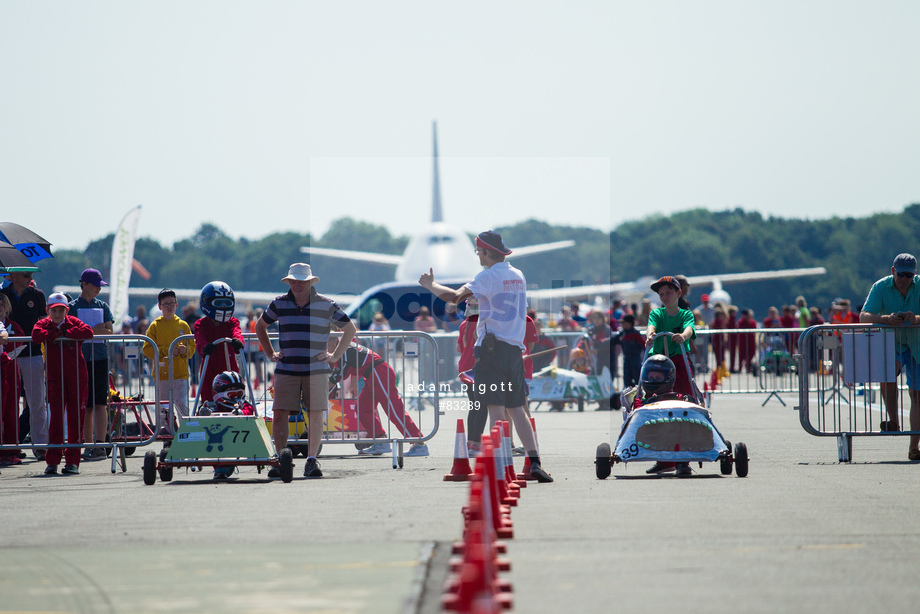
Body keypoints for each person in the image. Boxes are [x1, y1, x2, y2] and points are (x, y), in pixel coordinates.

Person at [420, 229, 553, 483]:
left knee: (495, 409)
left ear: (486, 252)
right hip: (515, 349)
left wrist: (430, 285)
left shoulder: (487, 277)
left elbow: (454, 298)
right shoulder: (518, 275)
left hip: (491, 352)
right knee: (517, 410)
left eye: (478, 251)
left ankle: (500, 468)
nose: (477, 255)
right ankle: (534, 461)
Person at [255, 263, 357, 479]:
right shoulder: (279, 303)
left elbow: (350, 329)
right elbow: (259, 326)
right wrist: (270, 353)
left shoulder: (326, 304)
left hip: (316, 369)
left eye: (301, 281)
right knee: (280, 412)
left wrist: (335, 356)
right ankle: (277, 460)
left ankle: (311, 460)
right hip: (287, 367)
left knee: (316, 413)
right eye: (293, 281)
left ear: (310, 282)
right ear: (288, 282)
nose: (297, 285)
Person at [859, 253, 920, 460]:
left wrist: (917, 318)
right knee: (886, 376)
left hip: (917, 344)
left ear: (914, 274)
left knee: (917, 394)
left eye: (909, 275)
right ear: (893, 271)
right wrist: (885, 319)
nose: (904, 279)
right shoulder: (880, 286)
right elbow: (864, 316)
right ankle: (893, 421)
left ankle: (914, 447)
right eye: (900, 274)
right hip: (891, 341)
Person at [329, 338, 428, 457]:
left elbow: (334, 379)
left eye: (325, 346)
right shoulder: (345, 348)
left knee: (394, 410)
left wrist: (316, 392)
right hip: (372, 374)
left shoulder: (344, 351)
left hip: (378, 372)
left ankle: (419, 443)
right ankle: (380, 441)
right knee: (362, 408)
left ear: (334, 344)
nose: (325, 350)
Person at [31, 293, 94, 475]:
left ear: (67, 310)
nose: (57, 314)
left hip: (76, 377)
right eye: (54, 310)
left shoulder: (73, 321)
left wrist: (65, 333)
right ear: (48, 310)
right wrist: (54, 333)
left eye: (61, 310)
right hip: (54, 378)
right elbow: (36, 335)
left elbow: (88, 332)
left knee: (75, 419)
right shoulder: (44, 323)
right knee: (56, 420)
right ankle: (52, 461)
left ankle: (73, 461)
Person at [1, 271, 48, 458]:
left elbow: (44, 321)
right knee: (9, 402)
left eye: (30, 275)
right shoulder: (3, 295)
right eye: (25, 274)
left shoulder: (37, 295)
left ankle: (41, 445)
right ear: (13, 276)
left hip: (32, 352)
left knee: (37, 401)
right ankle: (10, 446)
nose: (30, 278)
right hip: (7, 356)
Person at [68, 268, 114, 460]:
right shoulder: (71, 307)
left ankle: (101, 444)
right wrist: (94, 330)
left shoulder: (103, 306)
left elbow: (110, 331)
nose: (98, 289)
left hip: (100, 357)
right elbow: (70, 332)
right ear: (84, 284)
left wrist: (90, 331)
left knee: (100, 403)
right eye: (95, 285)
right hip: (80, 358)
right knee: (85, 404)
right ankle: (87, 444)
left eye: (100, 286)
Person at [143, 289, 196, 429]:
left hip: (181, 374)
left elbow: (192, 347)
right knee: (164, 407)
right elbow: (147, 349)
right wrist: (167, 350)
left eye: (172, 303)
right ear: (159, 306)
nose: (169, 306)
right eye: (165, 303)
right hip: (162, 375)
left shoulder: (183, 325)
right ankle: (166, 435)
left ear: (177, 304)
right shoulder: (154, 326)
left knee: (182, 404)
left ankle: (185, 434)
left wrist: (185, 351)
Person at [635, 354, 693, 476]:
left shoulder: (676, 397)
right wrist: (642, 404)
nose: (653, 381)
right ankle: (664, 463)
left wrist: (686, 401)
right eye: (650, 377)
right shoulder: (643, 400)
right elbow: (636, 415)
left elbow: (687, 405)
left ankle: (682, 463)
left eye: (657, 378)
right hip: (650, 433)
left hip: (674, 432)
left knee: (681, 430)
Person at [645, 276, 696, 398]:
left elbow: (689, 328)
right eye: (661, 294)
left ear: (679, 293)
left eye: (668, 293)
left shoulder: (686, 314)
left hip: (679, 358)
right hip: (658, 361)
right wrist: (650, 335)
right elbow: (651, 326)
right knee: (652, 390)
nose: (664, 297)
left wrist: (683, 336)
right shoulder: (656, 313)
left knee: (686, 392)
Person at [194, 281, 245, 404]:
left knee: (234, 397)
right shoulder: (201, 324)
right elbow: (200, 339)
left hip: (229, 367)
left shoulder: (232, 322)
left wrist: (238, 342)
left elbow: (236, 332)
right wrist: (205, 348)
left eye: (226, 303)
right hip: (209, 365)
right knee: (208, 399)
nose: (222, 307)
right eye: (218, 303)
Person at [198, 371, 254, 479]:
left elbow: (249, 411)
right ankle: (220, 468)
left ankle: (226, 465)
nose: (236, 397)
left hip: (241, 442)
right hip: (218, 442)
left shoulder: (244, 406)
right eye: (231, 394)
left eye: (239, 394)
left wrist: (241, 413)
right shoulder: (212, 407)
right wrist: (204, 415)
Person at [0, 295, 23, 465]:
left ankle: (11, 450)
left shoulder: (12, 326)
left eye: (2, 304)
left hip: (10, 370)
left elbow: (20, 340)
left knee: (11, 411)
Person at [611, 313, 645, 388]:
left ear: (629, 323)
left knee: (637, 380)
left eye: (624, 323)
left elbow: (644, 345)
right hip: (626, 360)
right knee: (627, 381)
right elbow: (612, 341)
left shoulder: (636, 334)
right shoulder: (622, 334)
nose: (622, 325)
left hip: (635, 360)